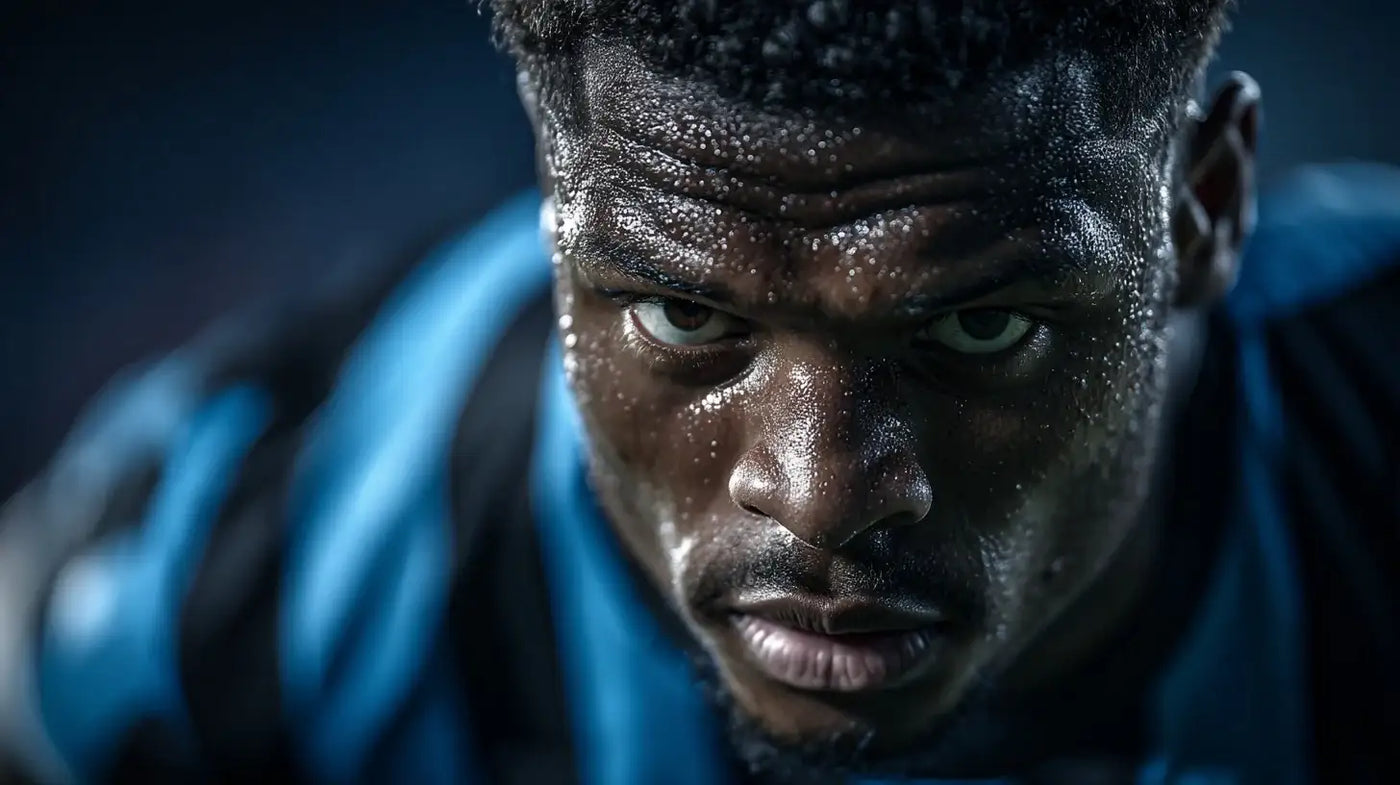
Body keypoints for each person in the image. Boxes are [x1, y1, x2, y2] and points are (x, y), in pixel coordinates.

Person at [1, 2, 1396, 783]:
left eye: (978, 325)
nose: (823, 493)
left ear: (1203, 208)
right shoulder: (275, 547)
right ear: (559, 218)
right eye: (687, 314)